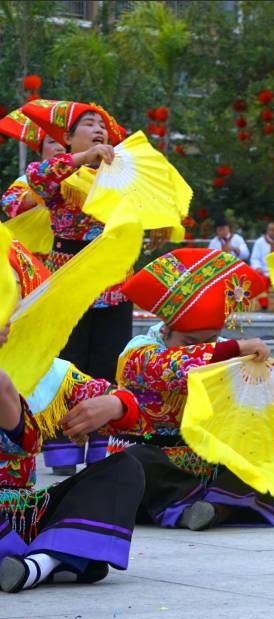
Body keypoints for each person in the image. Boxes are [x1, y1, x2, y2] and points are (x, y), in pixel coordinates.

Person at [0, 243, 145, 593]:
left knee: (127, 467)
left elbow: (142, 417)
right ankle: (61, 560)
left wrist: (116, 405)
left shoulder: (50, 373)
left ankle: (37, 564)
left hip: (21, 513)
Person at [110, 248, 274, 531]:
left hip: (205, 468)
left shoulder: (225, 353)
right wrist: (235, 348)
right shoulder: (139, 352)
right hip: (154, 470)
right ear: (165, 332)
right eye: (189, 341)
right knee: (134, 459)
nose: (200, 349)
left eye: (210, 340)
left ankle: (210, 507)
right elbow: (171, 367)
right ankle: (208, 506)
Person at [21, 100, 132, 477]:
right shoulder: (58, 171)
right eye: (88, 124)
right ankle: (64, 443)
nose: (98, 129)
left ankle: (103, 444)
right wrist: (83, 157)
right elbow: (37, 179)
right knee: (66, 366)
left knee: (108, 363)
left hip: (113, 281)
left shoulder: (122, 173)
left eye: (102, 125)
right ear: (67, 138)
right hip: (67, 281)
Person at [0, 105, 66, 218]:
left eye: (64, 143)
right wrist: (40, 189)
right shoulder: (27, 180)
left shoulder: (83, 173)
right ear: (39, 151)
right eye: (52, 142)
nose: (60, 147)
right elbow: (8, 204)